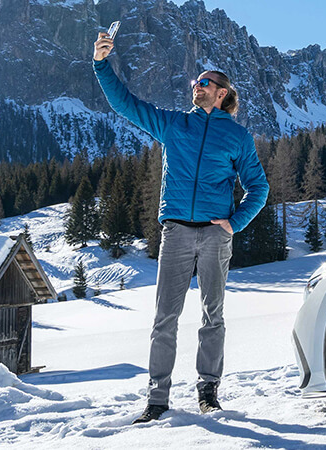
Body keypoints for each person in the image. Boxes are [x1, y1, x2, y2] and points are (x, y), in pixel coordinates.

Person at [92, 31, 269, 424]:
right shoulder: (174, 126)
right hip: (175, 232)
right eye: (195, 83)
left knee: (213, 317)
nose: (196, 87)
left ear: (221, 93)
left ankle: (208, 392)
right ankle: (157, 400)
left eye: (204, 83)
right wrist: (102, 64)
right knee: (164, 318)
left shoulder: (237, 136)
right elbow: (125, 104)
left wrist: (234, 222)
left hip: (214, 235)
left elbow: (259, 186)